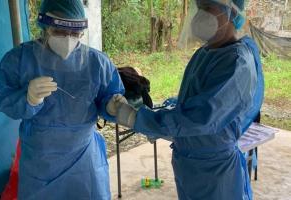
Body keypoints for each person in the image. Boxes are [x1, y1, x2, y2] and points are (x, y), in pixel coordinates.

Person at [111, 0, 264, 199]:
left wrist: (140, 120)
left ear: (231, 13)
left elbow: (202, 117)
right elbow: (194, 102)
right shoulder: (205, 53)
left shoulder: (236, 62)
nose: (200, 15)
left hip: (215, 170)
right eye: (199, 8)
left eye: (208, 8)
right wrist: (164, 119)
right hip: (190, 163)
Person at [0, 0, 126, 199]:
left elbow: (108, 98)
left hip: (84, 156)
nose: (68, 39)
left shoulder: (98, 63)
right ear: (45, 26)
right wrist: (28, 99)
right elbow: (4, 100)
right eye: (60, 32)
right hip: (41, 158)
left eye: (74, 34)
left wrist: (112, 107)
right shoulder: (19, 59)